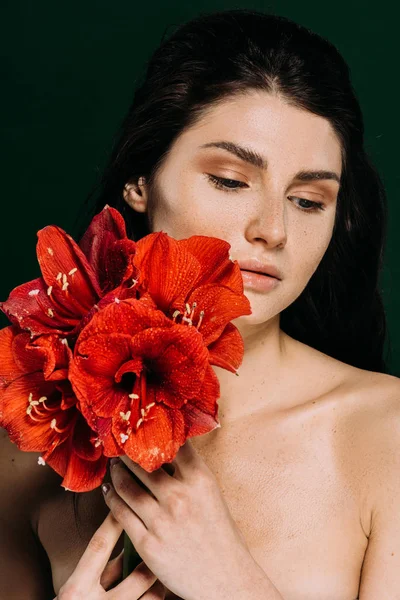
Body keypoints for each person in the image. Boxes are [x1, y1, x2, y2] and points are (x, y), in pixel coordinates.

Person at [1, 8, 399, 600]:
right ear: (141, 180)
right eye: (231, 180)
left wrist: (228, 583)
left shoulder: (386, 436)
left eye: (310, 200)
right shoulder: (35, 434)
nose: (273, 230)